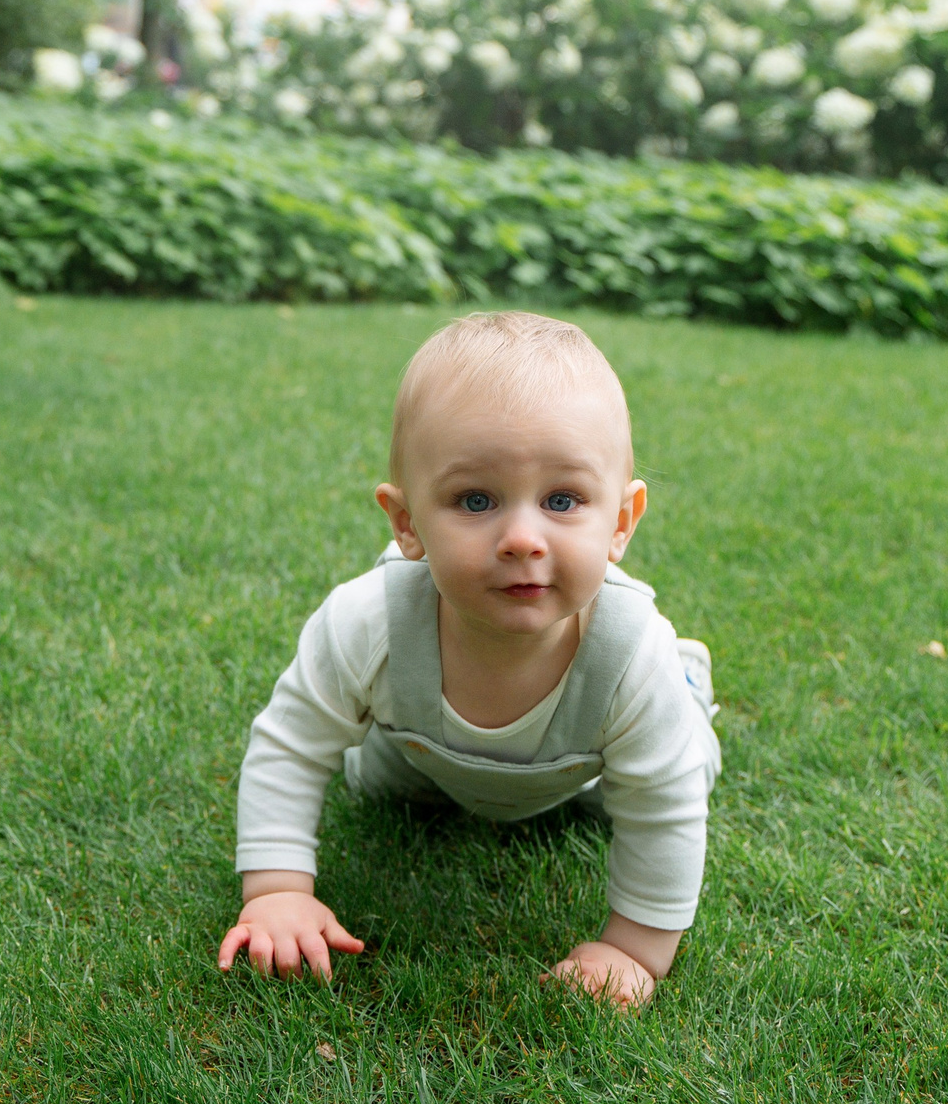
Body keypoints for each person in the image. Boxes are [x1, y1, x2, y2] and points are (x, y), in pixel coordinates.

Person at [216, 311, 720, 1008]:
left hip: (586, 763)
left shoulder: (630, 654)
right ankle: (426, 763)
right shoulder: (368, 622)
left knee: (680, 765)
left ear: (622, 523)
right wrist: (276, 891)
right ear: (406, 523)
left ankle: (690, 682)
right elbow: (292, 744)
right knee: (378, 781)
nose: (521, 537)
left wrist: (632, 948)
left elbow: (665, 811)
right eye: (475, 499)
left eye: (563, 499)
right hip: (423, 751)